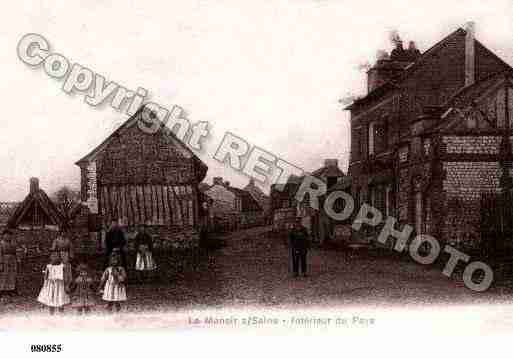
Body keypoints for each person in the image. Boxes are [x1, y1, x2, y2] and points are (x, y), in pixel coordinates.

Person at [0, 230, 19, 296]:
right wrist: (1, 263)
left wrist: (17, 260)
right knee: (3, 276)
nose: (8, 237)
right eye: (7, 235)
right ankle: (2, 290)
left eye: (10, 235)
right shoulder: (1, 243)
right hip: (5, 261)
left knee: (11, 276)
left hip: (12, 261)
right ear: (3, 236)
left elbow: (16, 253)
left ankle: (10, 290)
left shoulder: (12, 244)